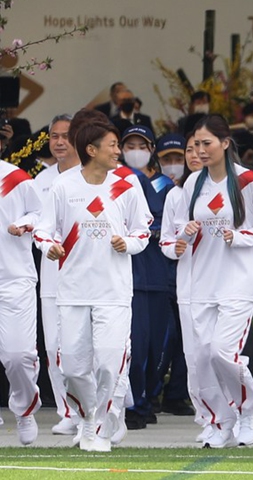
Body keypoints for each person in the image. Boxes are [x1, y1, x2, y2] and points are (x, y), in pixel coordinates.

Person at [33, 120, 151, 452]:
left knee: (107, 362)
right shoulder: (64, 186)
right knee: (71, 365)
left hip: (112, 291)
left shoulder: (125, 187)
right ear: (92, 150)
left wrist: (126, 243)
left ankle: (97, 426)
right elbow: (43, 229)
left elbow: (143, 231)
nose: (119, 151)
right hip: (72, 290)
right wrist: (49, 246)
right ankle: (89, 416)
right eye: (113, 145)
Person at [180, 114, 253, 448]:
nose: (200, 150)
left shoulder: (248, 181)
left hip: (238, 280)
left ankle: (249, 410)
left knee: (224, 352)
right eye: (196, 144)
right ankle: (220, 421)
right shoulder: (192, 183)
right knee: (203, 356)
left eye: (207, 143)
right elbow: (179, 228)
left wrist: (240, 236)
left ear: (225, 143)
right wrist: (186, 232)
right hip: (202, 281)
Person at [118, 125, 179, 430]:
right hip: (130, 277)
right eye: (129, 144)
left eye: (140, 145)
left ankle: (147, 397)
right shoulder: (117, 182)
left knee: (158, 345)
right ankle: (135, 403)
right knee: (137, 346)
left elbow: (164, 224)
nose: (134, 150)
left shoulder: (161, 186)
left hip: (158, 275)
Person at [159, 133, 211, 443]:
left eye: (201, 148)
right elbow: (166, 239)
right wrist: (176, 247)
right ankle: (205, 414)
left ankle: (232, 410)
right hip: (188, 282)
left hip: (221, 282)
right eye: (189, 150)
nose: (194, 154)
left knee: (217, 350)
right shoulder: (176, 195)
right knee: (194, 353)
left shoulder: (228, 190)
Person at [32, 114, 80, 436]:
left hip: (81, 277)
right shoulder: (40, 180)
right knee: (52, 347)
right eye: (54, 136)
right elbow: (36, 219)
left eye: (65, 136)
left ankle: (90, 408)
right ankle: (66, 411)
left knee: (77, 347)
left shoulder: (89, 176)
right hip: (50, 274)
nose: (60, 142)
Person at [0, 148, 43, 445]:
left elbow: (41, 213)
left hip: (13, 278)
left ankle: (25, 409)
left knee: (18, 356)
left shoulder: (16, 178)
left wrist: (26, 223)